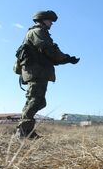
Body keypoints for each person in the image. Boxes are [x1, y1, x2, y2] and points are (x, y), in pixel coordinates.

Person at [14, 10, 79, 138]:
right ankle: (23, 132)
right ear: (43, 20)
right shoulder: (37, 32)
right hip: (36, 72)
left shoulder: (39, 32)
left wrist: (66, 60)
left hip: (39, 71)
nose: (51, 24)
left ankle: (26, 131)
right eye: (50, 21)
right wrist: (66, 58)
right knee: (35, 100)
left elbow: (50, 54)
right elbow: (49, 49)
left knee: (37, 101)